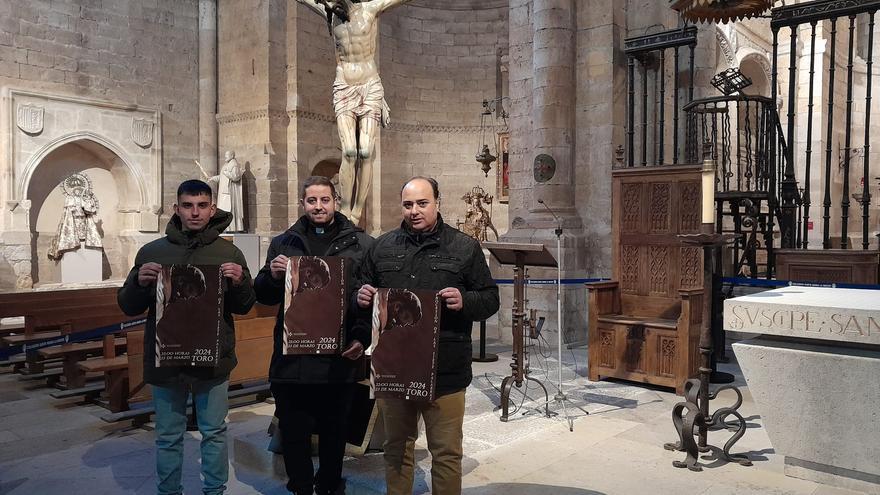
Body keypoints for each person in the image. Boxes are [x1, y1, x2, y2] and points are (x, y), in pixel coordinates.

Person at [355, 177, 499, 495]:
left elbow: (490, 299)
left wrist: (466, 301)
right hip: (395, 369)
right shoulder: (382, 247)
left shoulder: (464, 247)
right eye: (408, 205)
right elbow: (362, 292)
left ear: (437, 202)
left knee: (446, 454)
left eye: (422, 203)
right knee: (396, 451)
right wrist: (360, 298)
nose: (415, 211)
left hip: (445, 372)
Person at [117, 179, 256, 495]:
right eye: (188, 205)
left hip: (213, 359)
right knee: (167, 435)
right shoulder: (153, 252)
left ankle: (215, 491)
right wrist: (139, 282)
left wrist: (239, 283)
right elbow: (128, 305)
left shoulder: (228, 252)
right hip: (166, 359)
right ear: (176, 208)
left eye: (202, 206)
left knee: (215, 431)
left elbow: (245, 306)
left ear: (212, 209)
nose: (195, 212)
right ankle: (169, 492)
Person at [254, 175, 374, 495]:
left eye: (325, 200)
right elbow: (262, 295)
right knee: (294, 431)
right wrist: (272, 275)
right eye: (312, 201)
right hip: (292, 361)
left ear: (336, 201)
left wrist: (361, 338)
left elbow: (367, 302)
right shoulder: (284, 243)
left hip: (337, 359)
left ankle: (331, 485)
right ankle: (301, 487)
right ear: (302, 203)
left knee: (335, 433)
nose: (318, 206)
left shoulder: (362, 244)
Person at [296, 0, 413, 225]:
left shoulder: (372, 9)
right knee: (350, 151)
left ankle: (356, 213)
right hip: (344, 85)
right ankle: (346, 212)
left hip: (370, 85)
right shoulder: (329, 13)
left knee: (366, 152)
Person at [201, 150, 245, 232]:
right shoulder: (226, 165)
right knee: (223, 209)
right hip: (224, 192)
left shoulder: (234, 165)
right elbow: (222, 177)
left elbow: (236, 177)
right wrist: (213, 178)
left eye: (227, 155)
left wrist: (227, 173)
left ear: (232, 155)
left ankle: (232, 228)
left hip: (229, 193)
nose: (225, 157)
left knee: (229, 209)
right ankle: (226, 227)